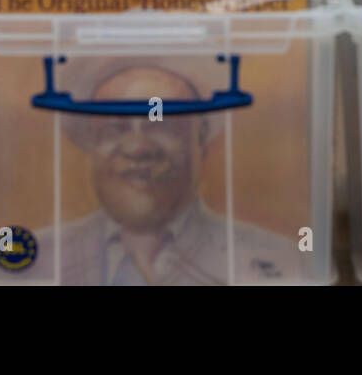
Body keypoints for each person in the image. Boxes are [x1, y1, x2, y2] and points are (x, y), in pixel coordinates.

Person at [26, 63, 299, 285]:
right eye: (115, 128)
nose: (138, 148)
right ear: (91, 142)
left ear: (200, 137)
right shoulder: (32, 259)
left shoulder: (277, 259)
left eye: (161, 124)